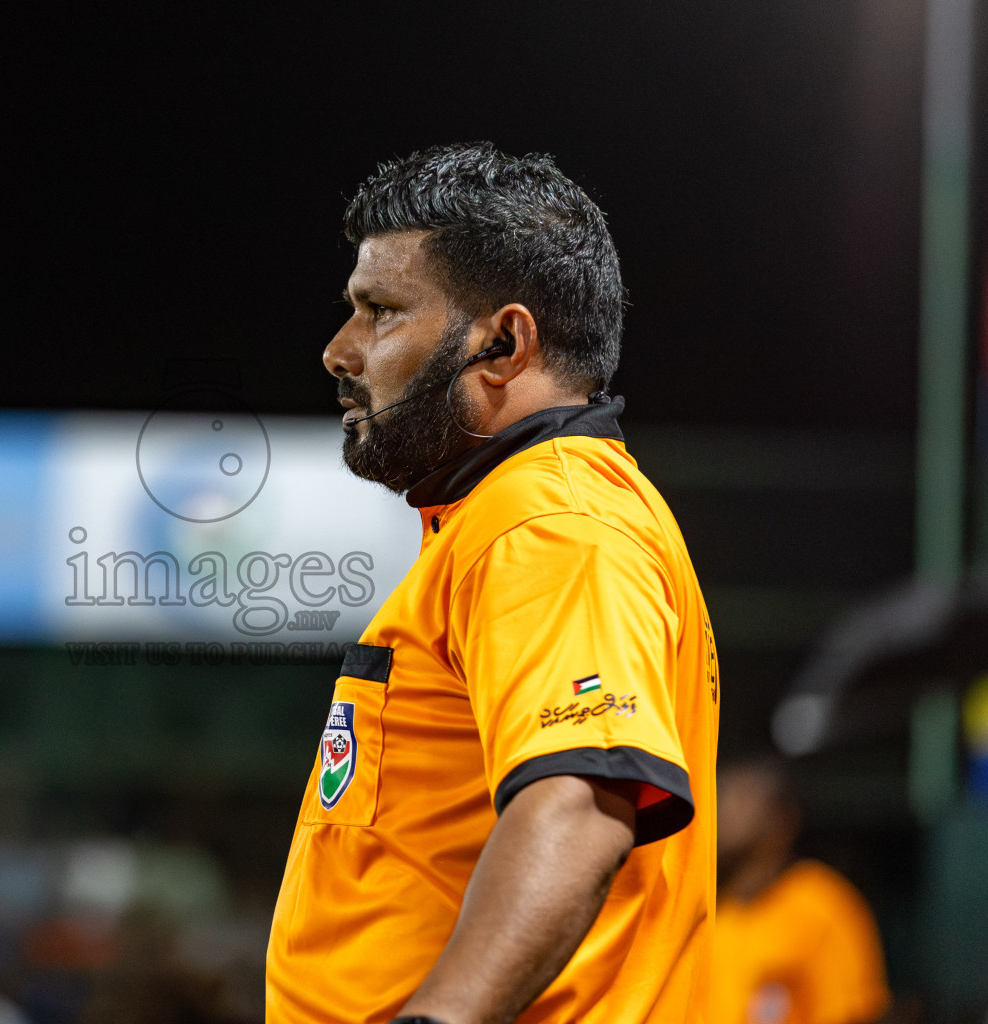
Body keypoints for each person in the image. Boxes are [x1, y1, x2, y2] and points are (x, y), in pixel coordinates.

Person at [265, 142, 720, 1024]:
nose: (338, 350)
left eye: (381, 312)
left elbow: (579, 803)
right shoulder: (503, 518)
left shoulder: (549, 522)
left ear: (504, 342)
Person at [712, 758, 890, 1024]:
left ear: (782, 818)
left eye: (742, 797)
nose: (724, 810)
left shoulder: (822, 901)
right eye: (721, 796)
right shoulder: (711, 910)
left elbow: (851, 1014)